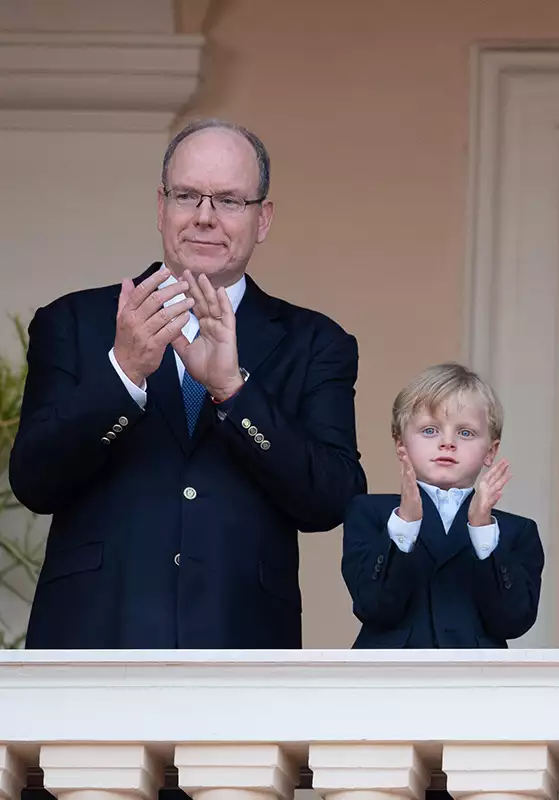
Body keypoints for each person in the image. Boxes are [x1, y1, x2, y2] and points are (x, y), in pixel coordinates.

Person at [10, 119, 367, 648]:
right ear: (161, 207)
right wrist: (123, 374)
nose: (204, 217)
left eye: (228, 200)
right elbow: (34, 482)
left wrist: (235, 392)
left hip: (240, 645)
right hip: (93, 641)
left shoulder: (316, 342)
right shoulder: (74, 322)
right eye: (187, 196)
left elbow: (333, 500)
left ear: (262, 218)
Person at [341, 363, 543, 648]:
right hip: (390, 684)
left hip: (477, 684)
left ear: (491, 451)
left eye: (465, 433)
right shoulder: (371, 513)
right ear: (401, 445)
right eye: (430, 430)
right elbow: (373, 607)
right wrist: (406, 524)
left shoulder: (515, 531)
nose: (447, 442)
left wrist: (481, 530)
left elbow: (513, 621)